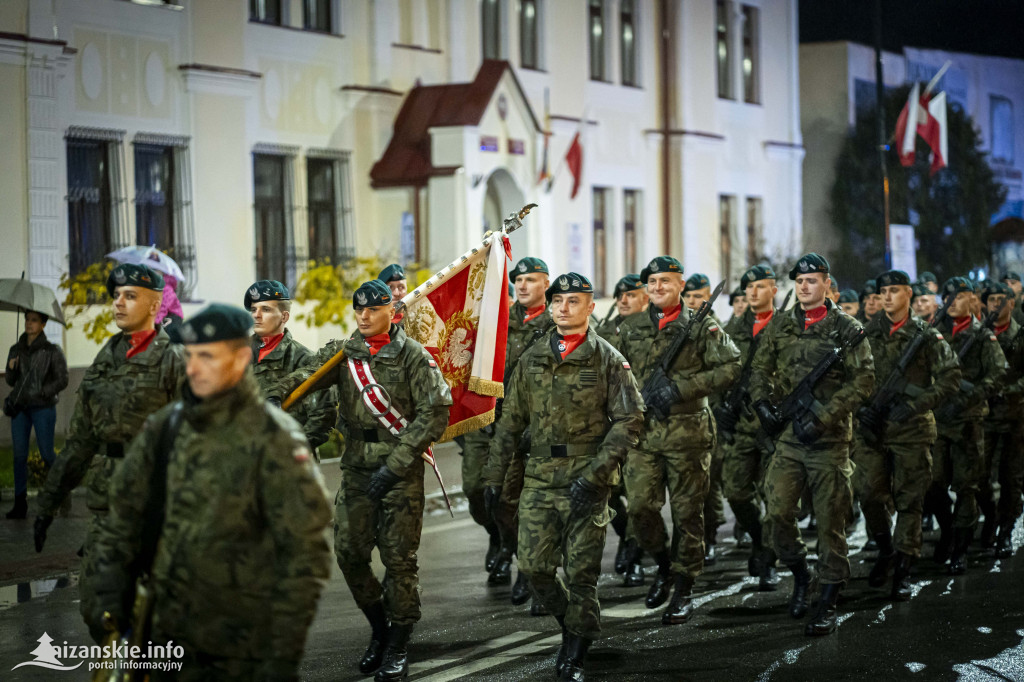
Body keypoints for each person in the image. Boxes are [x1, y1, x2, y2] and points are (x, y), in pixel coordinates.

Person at [88, 304, 333, 681]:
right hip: (165, 637)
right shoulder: (165, 428)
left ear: (239, 359)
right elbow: (123, 516)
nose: (193, 368)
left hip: (242, 647)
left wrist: (281, 656)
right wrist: (111, 594)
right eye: (189, 356)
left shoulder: (276, 439)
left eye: (207, 356)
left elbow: (305, 557)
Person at [269, 279, 451, 681]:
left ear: (393, 311)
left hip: (400, 469)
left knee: (399, 560)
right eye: (358, 310)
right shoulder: (343, 354)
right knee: (349, 553)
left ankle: (399, 643)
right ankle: (380, 628)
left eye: (373, 309)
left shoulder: (413, 356)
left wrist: (399, 461)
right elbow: (306, 373)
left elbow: (435, 412)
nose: (364, 316)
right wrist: (268, 394)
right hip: (356, 468)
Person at [482, 272, 644, 682]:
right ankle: (573, 625)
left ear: (590, 307)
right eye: (557, 301)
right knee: (535, 568)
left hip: (586, 479)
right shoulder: (533, 357)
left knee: (581, 573)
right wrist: (495, 476)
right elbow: (510, 423)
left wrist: (598, 474)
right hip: (539, 478)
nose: (562, 308)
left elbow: (629, 420)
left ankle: (575, 651)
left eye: (573, 301)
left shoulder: (607, 358)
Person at [33, 264, 185, 641]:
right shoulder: (106, 358)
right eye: (116, 295)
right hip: (107, 506)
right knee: (97, 608)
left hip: (158, 509)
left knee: (157, 618)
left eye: (129, 296)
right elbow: (82, 439)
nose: (118, 303)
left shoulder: (175, 361)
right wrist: (48, 503)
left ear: (153, 305)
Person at [749, 253, 874, 636]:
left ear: (827, 284)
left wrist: (824, 415)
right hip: (789, 439)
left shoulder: (846, 328)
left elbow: (864, 381)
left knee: (830, 524)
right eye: (799, 281)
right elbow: (759, 368)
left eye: (812, 280)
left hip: (830, 442)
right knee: (777, 514)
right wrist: (762, 405)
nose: (804, 287)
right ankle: (802, 573)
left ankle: (828, 598)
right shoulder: (783, 324)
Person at [618, 256, 741, 625]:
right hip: (644, 434)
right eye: (652, 282)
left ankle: (684, 588)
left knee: (689, 515)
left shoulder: (702, 325)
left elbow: (732, 367)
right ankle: (664, 565)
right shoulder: (631, 327)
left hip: (689, 432)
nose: (657, 288)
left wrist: (682, 388)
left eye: (666, 281)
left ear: (680, 286)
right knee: (640, 509)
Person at [852, 270, 959, 601]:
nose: (886, 296)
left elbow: (951, 378)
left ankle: (902, 568)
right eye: (883, 290)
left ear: (908, 295)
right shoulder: (866, 333)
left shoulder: (926, 335)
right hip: (872, 431)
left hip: (912, 430)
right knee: (870, 495)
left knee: (911, 502)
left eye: (894, 290)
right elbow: (848, 378)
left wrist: (915, 405)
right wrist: (860, 408)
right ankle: (886, 549)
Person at [483, 256, 555, 610]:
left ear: (546, 283)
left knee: (540, 507)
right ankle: (517, 553)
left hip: (544, 433)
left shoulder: (558, 322)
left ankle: (540, 578)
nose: (522, 285)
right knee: (504, 501)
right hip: (507, 427)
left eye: (530, 279)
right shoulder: (499, 323)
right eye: (518, 280)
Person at [924, 277, 1006, 575]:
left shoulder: (983, 336)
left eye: (961, 296)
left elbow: (998, 374)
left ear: (973, 300)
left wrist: (970, 396)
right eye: (949, 297)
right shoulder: (933, 334)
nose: (954, 301)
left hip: (969, 421)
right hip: (938, 421)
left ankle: (960, 546)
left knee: (967, 487)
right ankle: (947, 530)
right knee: (932, 485)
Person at [716, 264, 785, 591]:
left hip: (778, 428)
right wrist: (719, 410)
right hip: (743, 426)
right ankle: (759, 539)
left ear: (773, 289)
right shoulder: (732, 329)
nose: (753, 293)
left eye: (761, 286)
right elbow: (718, 371)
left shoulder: (788, 328)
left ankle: (769, 559)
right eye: (749, 288)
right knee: (736, 492)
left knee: (775, 499)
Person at [594, 273, 649, 585]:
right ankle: (628, 537)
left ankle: (636, 552)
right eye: (619, 295)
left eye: (630, 295)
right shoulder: (604, 333)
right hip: (610, 427)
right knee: (608, 491)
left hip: (643, 428)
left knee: (640, 495)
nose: (623, 300)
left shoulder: (656, 330)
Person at [245, 280, 336, 455]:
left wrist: (291, 451)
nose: (257, 315)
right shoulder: (238, 356)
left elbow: (322, 418)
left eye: (266, 309)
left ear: (284, 317)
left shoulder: (305, 360)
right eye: (254, 309)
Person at [5, 311, 68, 519]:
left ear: (42, 325)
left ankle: (62, 491)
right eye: (27, 319)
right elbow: (12, 381)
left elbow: (63, 379)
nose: (29, 324)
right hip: (20, 408)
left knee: (47, 454)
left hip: (43, 408)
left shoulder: (52, 351)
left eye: (34, 320)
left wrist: (43, 392)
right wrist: (11, 368)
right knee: (19, 456)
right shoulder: (15, 350)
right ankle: (20, 504)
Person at [978, 282, 1024, 556]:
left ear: (1012, 303)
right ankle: (991, 517)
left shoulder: (1020, 336)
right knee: (979, 476)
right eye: (992, 299)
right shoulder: (980, 336)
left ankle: (1005, 529)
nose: (996, 304)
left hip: (1016, 417)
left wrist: (1005, 390)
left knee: (1011, 478)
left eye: (1002, 299)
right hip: (984, 418)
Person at [379, 263, 408, 328]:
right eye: (389, 288)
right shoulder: (370, 327)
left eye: (401, 287)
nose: (396, 293)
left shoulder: (417, 324)